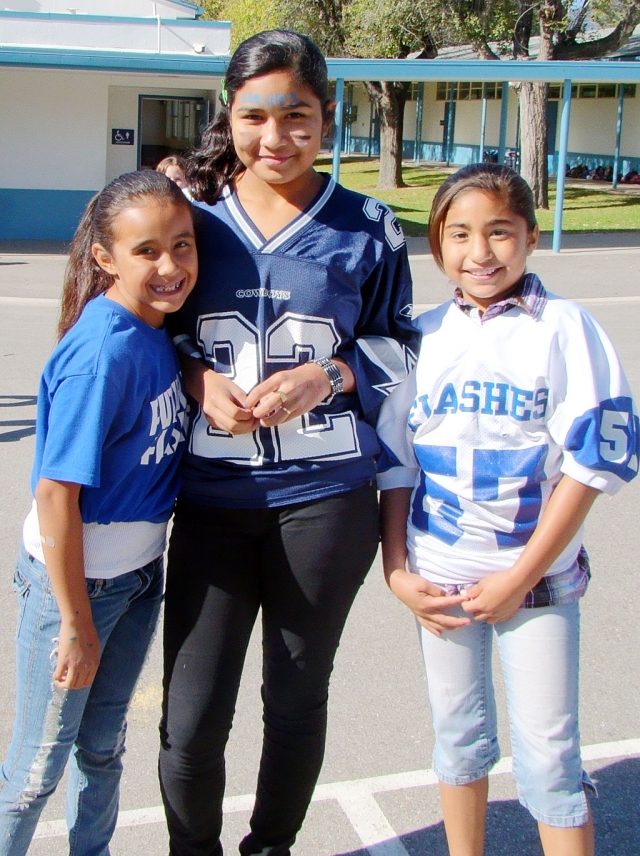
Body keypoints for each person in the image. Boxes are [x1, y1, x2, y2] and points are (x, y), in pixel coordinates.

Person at [158, 29, 419, 856]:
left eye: (297, 115)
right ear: (228, 117)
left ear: (328, 115)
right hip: (211, 502)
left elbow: (404, 343)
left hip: (326, 501)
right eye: (255, 116)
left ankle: (270, 848)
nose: (277, 137)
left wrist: (331, 376)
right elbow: (140, 328)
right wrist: (196, 379)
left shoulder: (369, 225)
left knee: (296, 699)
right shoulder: (188, 220)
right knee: (192, 720)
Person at [376, 162, 639, 856]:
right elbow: (397, 461)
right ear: (436, 243)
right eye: (459, 234)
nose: (479, 252)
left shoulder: (564, 328)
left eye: (499, 232)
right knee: (458, 739)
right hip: (440, 579)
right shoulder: (421, 335)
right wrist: (397, 569)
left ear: (529, 235)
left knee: (549, 754)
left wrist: (520, 577)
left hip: (536, 581)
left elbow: (591, 462)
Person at [0, 170, 198, 856]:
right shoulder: (104, 352)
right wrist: (77, 623)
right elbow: (55, 495)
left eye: (182, 244)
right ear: (105, 257)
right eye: (147, 251)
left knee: (103, 749)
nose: (170, 266)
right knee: (34, 771)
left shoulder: (153, 331)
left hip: (139, 576)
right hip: (79, 589)